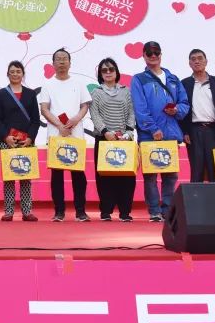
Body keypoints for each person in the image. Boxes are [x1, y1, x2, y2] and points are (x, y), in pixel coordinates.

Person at [131, 41, 189, 222]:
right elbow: (140, 108)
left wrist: (177, 110)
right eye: (149, 53)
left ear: (161, 54)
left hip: (171, 134)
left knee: (171, 175)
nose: (153, 56)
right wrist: (153, 128)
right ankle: (155, 211)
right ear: (143, 56)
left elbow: (184, 103)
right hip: (149, 135)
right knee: (150, 176)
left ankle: (168, 210)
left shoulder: (173, 78)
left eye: (156, 52)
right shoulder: (139, 79)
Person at [39, 48, 91, 222]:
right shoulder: (47, 84)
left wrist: (76, 119)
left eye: (64, 59)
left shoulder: (78, 82)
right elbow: (44, 108)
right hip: (56, 134)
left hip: (76, 133)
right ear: (53, 63)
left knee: (78, 175)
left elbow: (85, 105)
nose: (61, 62)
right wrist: (60, 126)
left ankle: (80, 211)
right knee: (57, 175)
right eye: (58, 59)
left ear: (70, 63)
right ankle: (59, 211)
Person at [0, 60, 41, 221]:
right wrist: (6, 136)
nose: (15, 74)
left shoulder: (30, 94)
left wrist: (30, 138)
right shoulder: (0, 94)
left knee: (26, 176)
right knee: (9, 177)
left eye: (18, 71)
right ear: (7, 74)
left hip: (26, 141)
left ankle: (27, 211)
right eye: (12, 71)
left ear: (23, 74)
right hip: (7, 140)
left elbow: (35, 120)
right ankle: (8, 211)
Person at [89, 57, 136, 222]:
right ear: (100, 74)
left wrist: (128, 133)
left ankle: (125, 212)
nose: (108, 72)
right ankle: (106, 211)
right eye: (104, 70)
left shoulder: (126, 91)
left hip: (124, 139)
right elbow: (94, 114)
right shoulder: (96, 92)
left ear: (116, 72)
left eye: (111, 69)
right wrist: (105, 132)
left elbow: (132, 112)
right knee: (104, 177)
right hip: (104, 139)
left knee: (126, 177)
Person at [181, 49, 215, 182]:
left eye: (200, 58)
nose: (197, 61)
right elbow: (182, 109)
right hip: (194, 132)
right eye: (193, 59)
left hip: (214, 131)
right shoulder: (184, 83)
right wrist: (184, 131)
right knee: (196, 170)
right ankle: (195, 195)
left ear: (206, 61)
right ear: (189, 63)